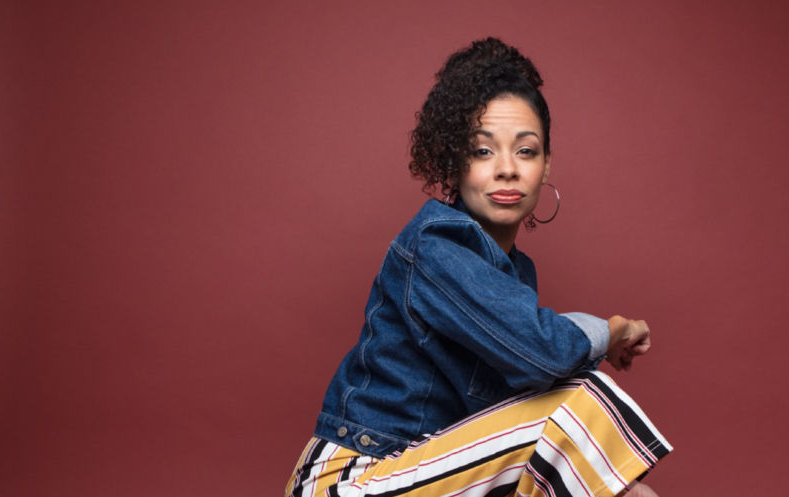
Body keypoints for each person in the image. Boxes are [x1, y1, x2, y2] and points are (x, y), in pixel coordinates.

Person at [286, 37, 671, 497]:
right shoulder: (437, 244)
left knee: (611, 476)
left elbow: (531, 361)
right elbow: (543, 351)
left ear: (546, 165)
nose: (507, 169)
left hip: (425, 475)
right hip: (353, 482)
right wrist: (611, 331)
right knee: (577, 397)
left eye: (526, 151)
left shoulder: (509, 271)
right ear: (454, 165)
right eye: (483, 151)